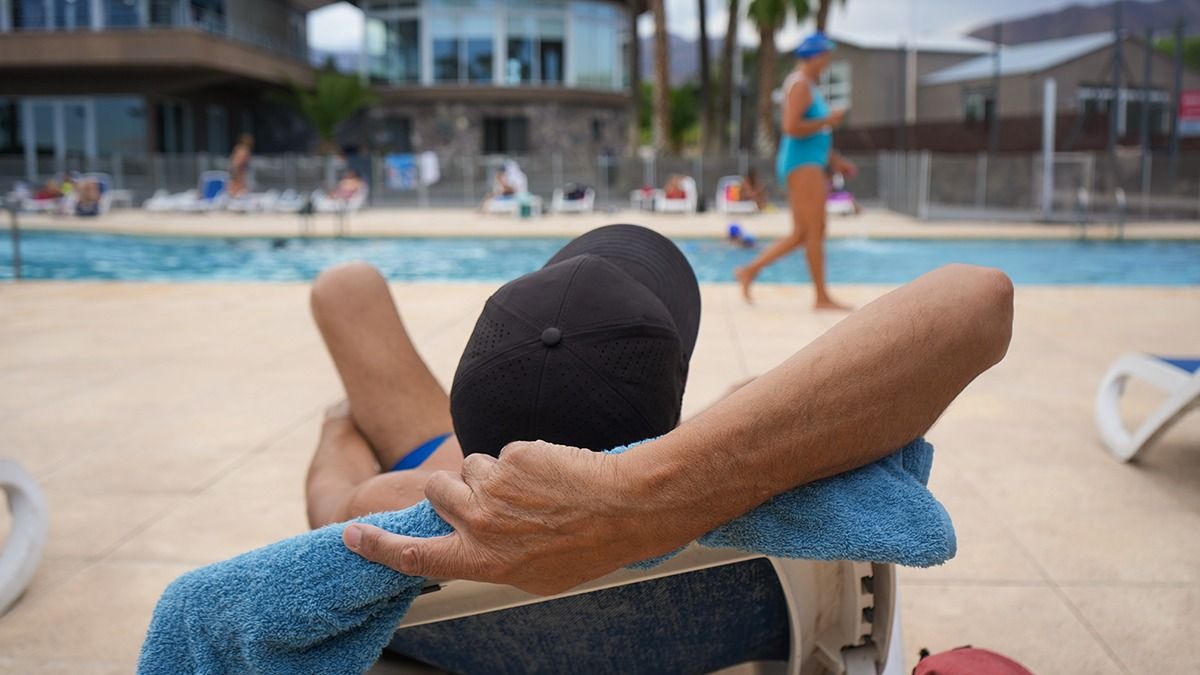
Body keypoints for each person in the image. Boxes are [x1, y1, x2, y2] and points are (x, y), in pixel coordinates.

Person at [306, 227, 1013, 598]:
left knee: (347, 289)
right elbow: (978, 300)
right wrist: (644, 491)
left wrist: (338, 428)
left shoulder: (398, 514)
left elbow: (324, 508)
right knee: (745, 390)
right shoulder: (770, 467)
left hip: (445, 472)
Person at [736, 32, 849, 310]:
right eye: (826, 57)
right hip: (802, 165)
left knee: (803, 233)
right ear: (814, 56)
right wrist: (829, 119)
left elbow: (815, 134)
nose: (828, 62)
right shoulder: (799, 84)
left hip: (809, 162)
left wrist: (835, 160)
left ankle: (749, 271)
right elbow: (791, 126)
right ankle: (821, 297)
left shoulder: (808, 85)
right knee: (813, 230)